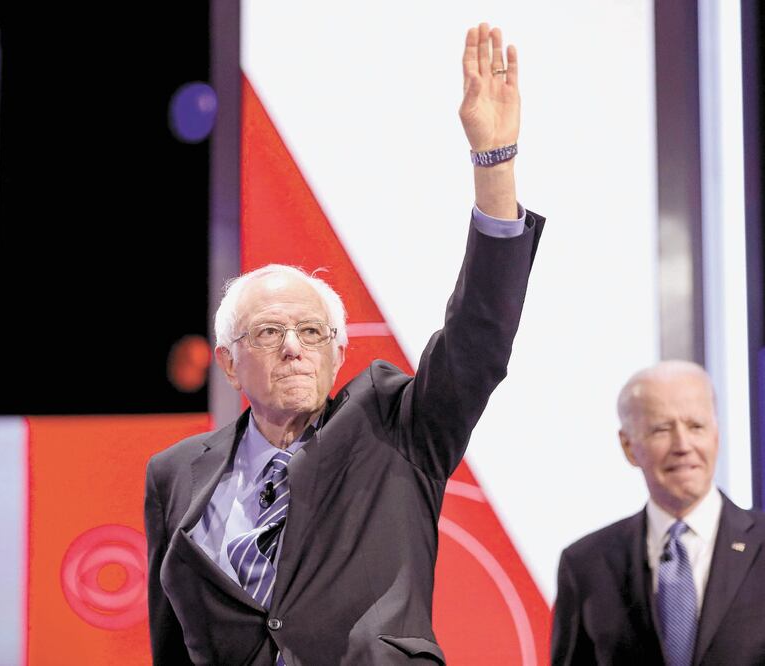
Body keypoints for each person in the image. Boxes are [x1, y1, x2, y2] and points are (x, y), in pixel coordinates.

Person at [145, 23, 544, 665]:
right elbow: (170, 641)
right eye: (269, 333)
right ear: (228, 361)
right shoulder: (175, 473)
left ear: (337, 352)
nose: (294, 348)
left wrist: (493, 166)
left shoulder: (398, 426)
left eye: (311, 333)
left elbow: (479, 338)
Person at [551, 360, 765, 665]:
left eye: (696, 426)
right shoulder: (585, 564)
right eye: (662, 429)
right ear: (628, 446)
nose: (683, 445)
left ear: (716, 435)